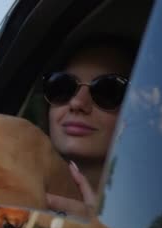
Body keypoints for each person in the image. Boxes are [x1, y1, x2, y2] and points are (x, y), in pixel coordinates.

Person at [44, 36, 137, 214]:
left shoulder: (138, 221)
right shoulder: (8, 181)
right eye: (62, 86)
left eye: (108, 91)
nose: (77, 103)